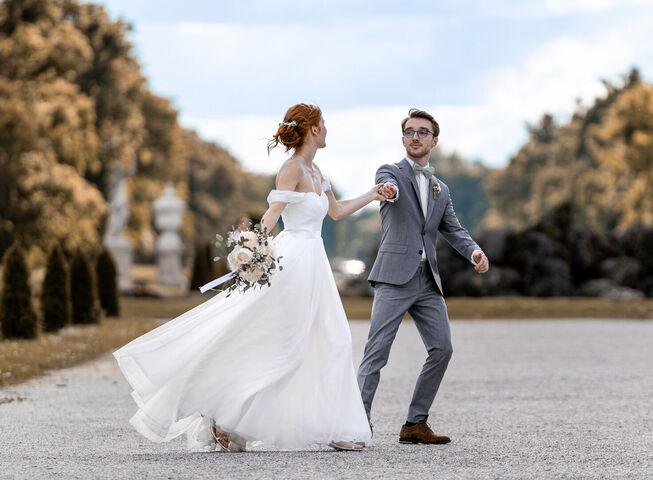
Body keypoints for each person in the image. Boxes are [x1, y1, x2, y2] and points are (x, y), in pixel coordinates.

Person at [114, 103, 385, 452]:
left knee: (333, 339)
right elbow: (273, 214)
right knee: (279, 342)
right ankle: (223, 413)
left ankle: (332, 427)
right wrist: (253, 250)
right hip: (293, 263)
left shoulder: (317, 171)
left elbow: (336, 211)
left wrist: (373, 194)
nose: (327, 129)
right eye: (324, 124)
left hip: (313, 262)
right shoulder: (291, 169)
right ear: (313, 129)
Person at [357, 108, 489, 445]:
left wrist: (474, 251)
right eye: (410, 132)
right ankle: (357, 421)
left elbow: (453, 230)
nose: (415, 137)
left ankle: (415, 423)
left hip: (427, 281)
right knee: (377, 352)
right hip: (393, 277)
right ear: (403, 139)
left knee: (442, 349)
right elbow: (387, 187)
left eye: (422, 132)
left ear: (434, 140)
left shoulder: (440, 189)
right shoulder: (390, 172)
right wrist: (385, 190)